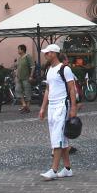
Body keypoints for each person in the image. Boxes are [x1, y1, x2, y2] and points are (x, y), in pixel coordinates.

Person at [38, 43, 77, 181]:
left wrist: (73, 107)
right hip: (52, 106)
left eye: (47, 53)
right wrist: (43, 107)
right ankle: (67, 169)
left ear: (54, 53)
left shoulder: (64, 69)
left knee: (57, 137)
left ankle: (53, 170)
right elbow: (48, 90)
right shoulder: (50, 70)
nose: (45, 55)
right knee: (61, 137)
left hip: (62, 105)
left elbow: (72, 89)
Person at [15, 44, 33, 113]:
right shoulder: (19, 58)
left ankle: (27, 107)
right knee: (17, 90)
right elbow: (18, 68)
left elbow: (32, 66)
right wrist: (16, 76)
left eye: (19, 49)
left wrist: (31, 76)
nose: (18, 50)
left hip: (26, 77)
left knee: (27, 91)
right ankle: (24, 104)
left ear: (22, 50)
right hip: (19, 78)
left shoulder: (28, 57)